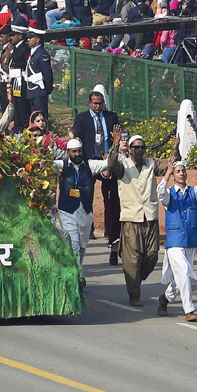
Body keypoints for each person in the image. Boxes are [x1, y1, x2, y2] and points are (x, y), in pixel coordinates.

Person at [107, 133, 170, 306]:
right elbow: (111, 164)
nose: (140, 150)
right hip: (130, 217)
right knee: (132, 259)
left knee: (152, 255)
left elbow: (169, 167)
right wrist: (114, 144)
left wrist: (176, 148)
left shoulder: (151, 164)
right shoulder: (123, 165)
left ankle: (136, 276)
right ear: (130, 149)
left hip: (150, 216)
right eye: (136, 147)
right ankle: (134, 294)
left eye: (142, 147)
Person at [156, 154, 197, 322]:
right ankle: (189, 310)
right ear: (173, 176)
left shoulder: (194, 192)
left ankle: (165, 298)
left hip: (190, 241)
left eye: (183, 171)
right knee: (185, 273)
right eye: (178, 171)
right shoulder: (169, 195)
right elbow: (159, 193)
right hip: (174, 243)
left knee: (181, 277)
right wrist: (167, 172)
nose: (181, 173)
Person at [73, 85, 121, 264]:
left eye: (100, 104)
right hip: (88, 162)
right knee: (87, 196)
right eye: (95, 104)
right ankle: (89, 226)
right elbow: (78, 137)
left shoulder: (111, 117)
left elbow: (116, 136)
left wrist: (111, 156)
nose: (98, 107)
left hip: (106, 160)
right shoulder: (82, 118)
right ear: (89, 103)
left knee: (111, 197)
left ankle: (111, 231)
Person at [52, 138, 111, 278]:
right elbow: (42, 164)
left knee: (82, 246)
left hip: (85, 212)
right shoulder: (61, 165)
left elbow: (109, 163)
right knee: (74, 244)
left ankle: (76, 269)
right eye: (74, 151)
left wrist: (114, 147)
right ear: (68, 152)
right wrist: (47, 149)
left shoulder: (90, 165)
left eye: (79, 151)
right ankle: (77, 277)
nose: (77, 154)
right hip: (67, 210)